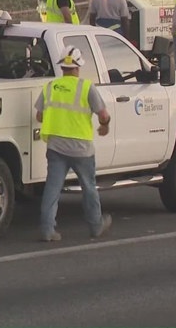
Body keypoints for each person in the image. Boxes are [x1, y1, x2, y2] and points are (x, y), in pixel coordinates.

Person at [35, 46, 113, 242]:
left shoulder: (50, 87)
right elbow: (103, 115)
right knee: (88, 187)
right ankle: (96, 226)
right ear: (78, 67)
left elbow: (39, 115)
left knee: (52, 189)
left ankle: (47, 230)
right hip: (81, 149)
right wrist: (105, 126)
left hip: (55, 147)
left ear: (62, 67)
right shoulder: (86, 87)